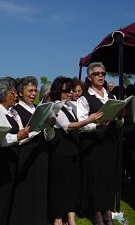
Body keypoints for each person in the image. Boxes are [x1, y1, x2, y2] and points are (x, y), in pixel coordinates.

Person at [49, 76, 103, 225]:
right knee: (60, 186)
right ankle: (58, 218)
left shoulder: (68, 106)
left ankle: (71, 217)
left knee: (72, 186)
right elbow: (67, 126)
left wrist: (93, 125)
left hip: (73, 150)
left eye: (71, 90)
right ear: (58, 91)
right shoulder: (55, 107)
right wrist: (88, 120)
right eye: (66, 90)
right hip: (61, 152)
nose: (70, 93)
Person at [77, 62, 123, 225]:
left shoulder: (112, 97)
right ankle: (97, 213)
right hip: (93, 144)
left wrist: (119, 118)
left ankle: (108, 212)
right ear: (90, 77)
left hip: (110, 142)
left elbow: (119, 123)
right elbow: (81, 124)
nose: (101, 76)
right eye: (97, 73)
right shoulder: (84, 98)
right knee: (95, 178)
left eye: (103, 73)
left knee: (109, 177)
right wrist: (96, 126)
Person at [0, 77, 30, 225]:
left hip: (10, 161)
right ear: (3, 94)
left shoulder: (10, 112)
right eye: (13, 93)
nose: (15, 96)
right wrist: (17, 137)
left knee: (7, 200)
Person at [10, 76, 55, 225]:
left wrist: (49, 125)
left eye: (35, 90)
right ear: (20, 93)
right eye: (30, 90)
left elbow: (49, 137)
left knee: (40, 189)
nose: (33, 94)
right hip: (25, 155)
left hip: (41, 153)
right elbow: (20, 138)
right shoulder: (14, 111)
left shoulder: (39, 108)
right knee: (25, 191)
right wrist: (36, 128)